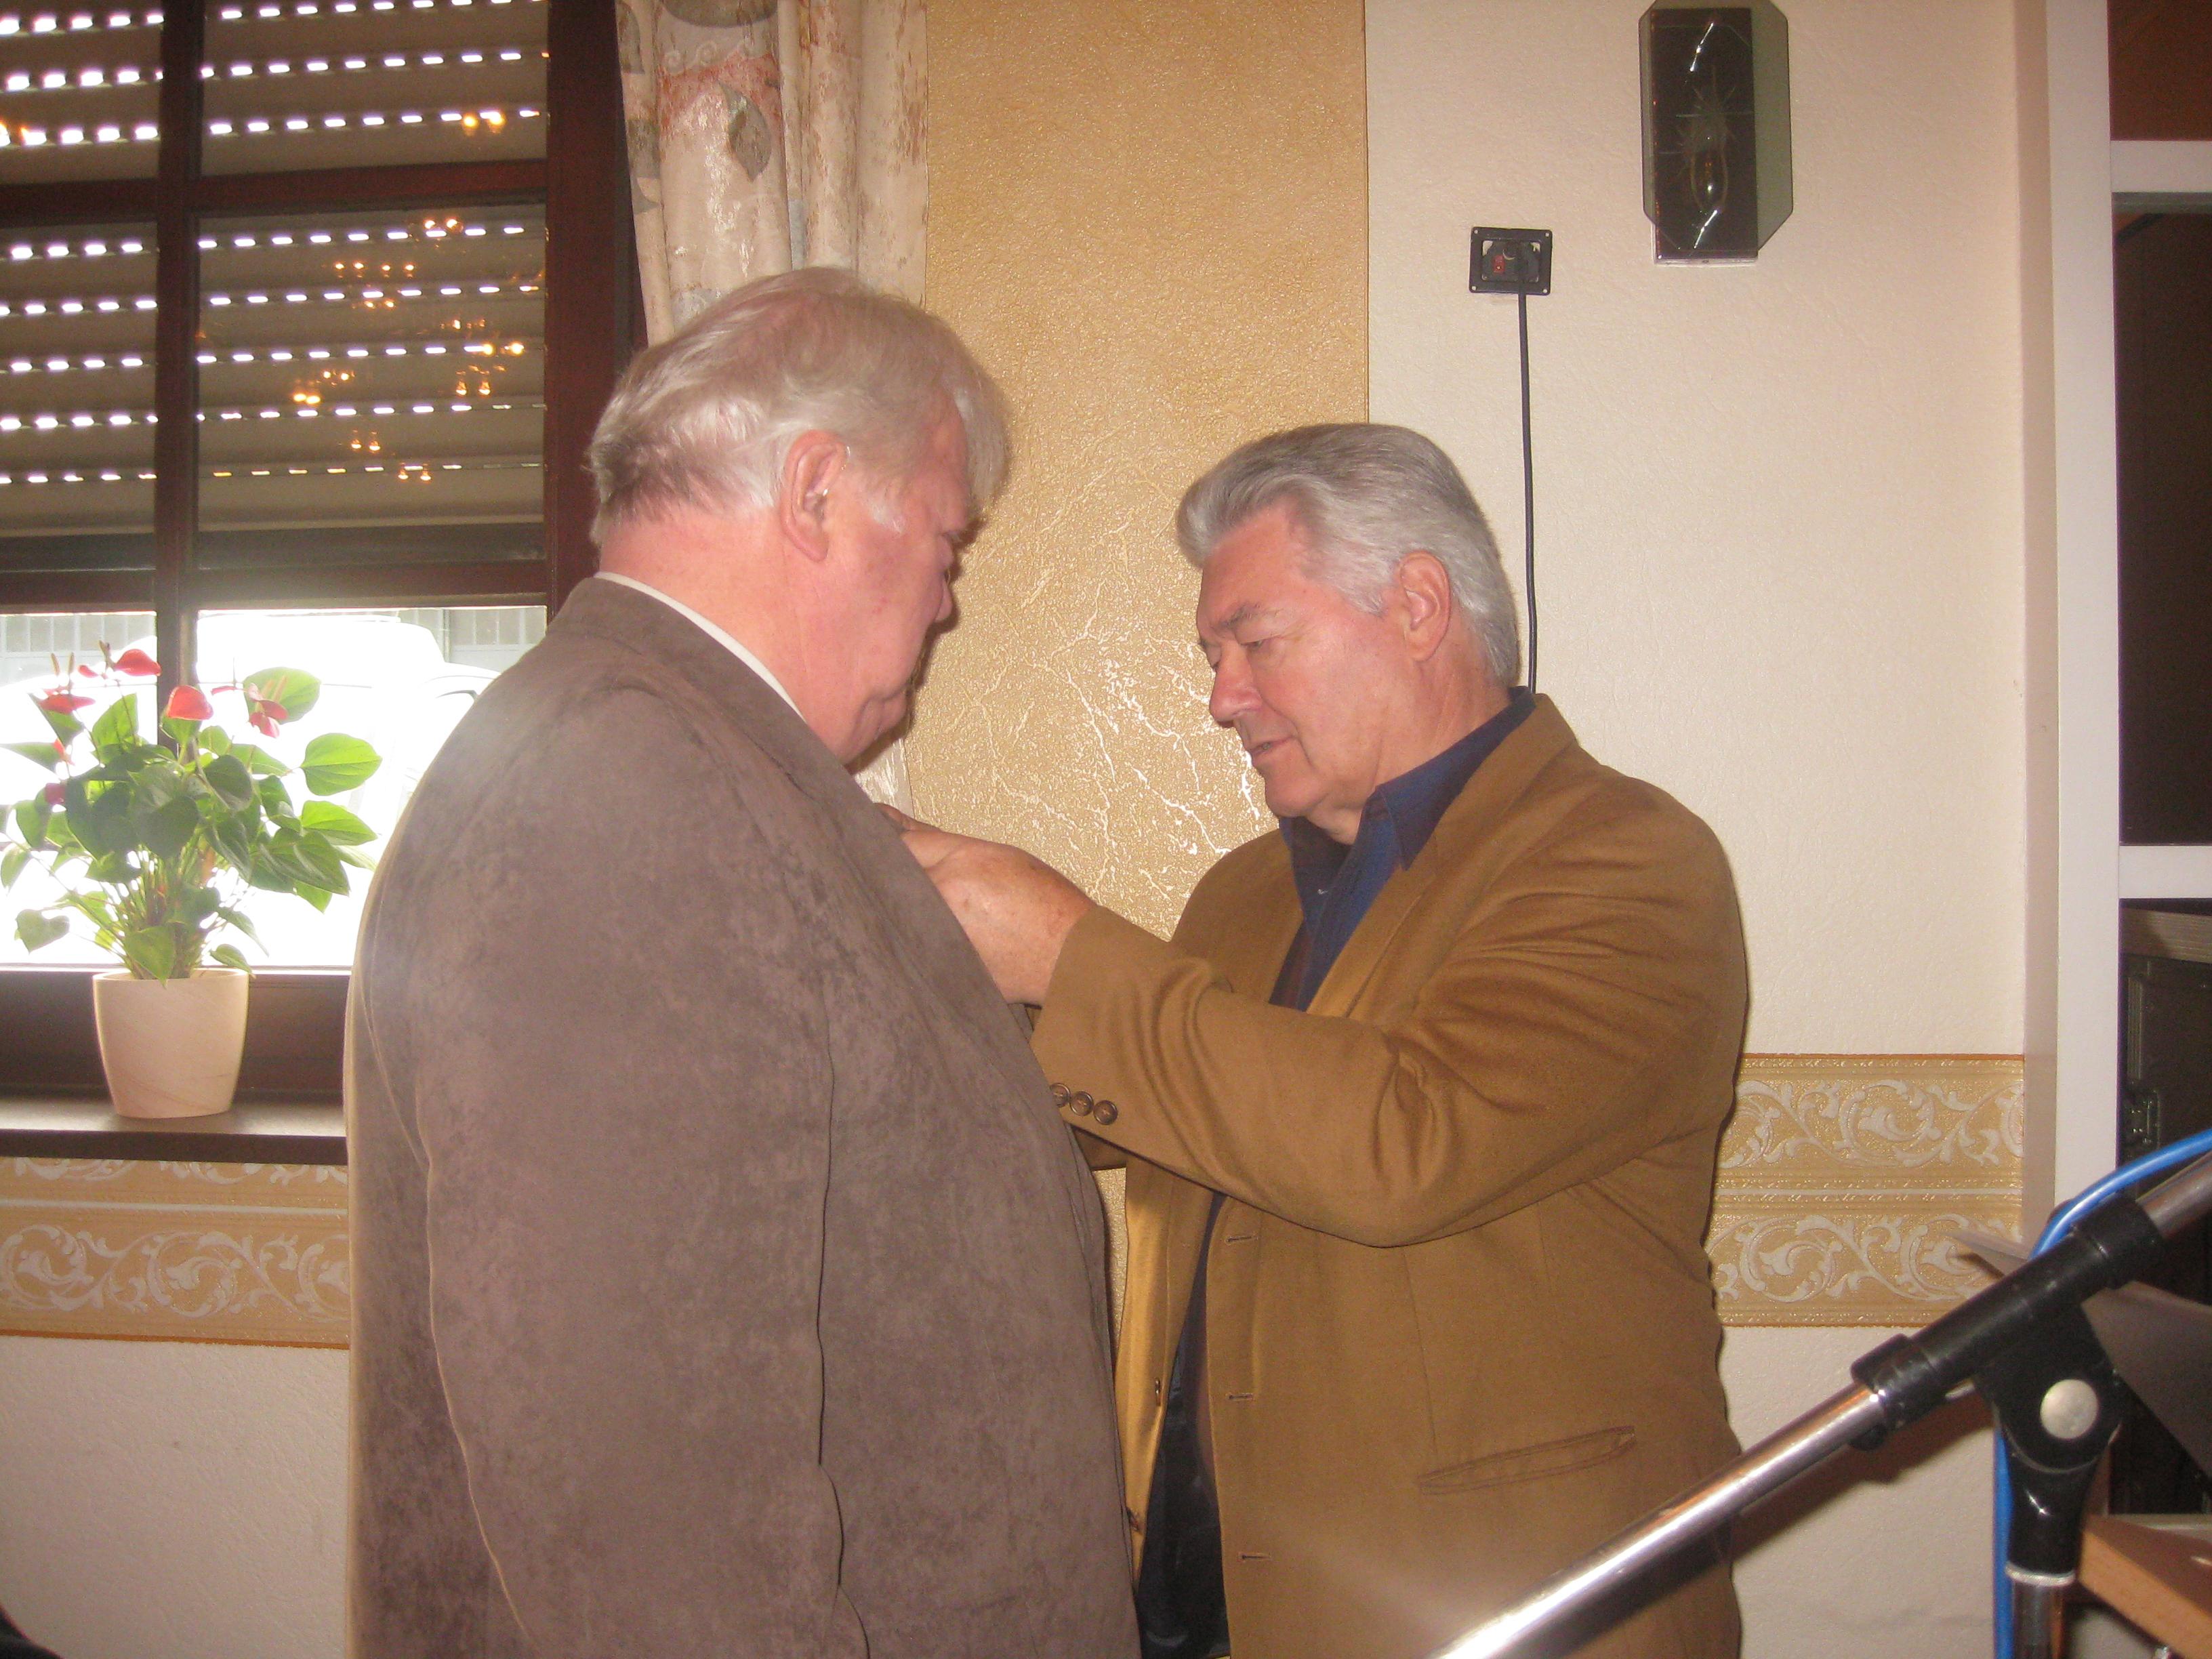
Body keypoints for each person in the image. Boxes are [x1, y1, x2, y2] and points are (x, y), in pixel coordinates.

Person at [346, 269, 1136, 1659]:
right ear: (817, 492)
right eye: (945, 544)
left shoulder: (691, 762)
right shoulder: (629, 787)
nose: (946, 603)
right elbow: (651, 1517)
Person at [898, 423, 1747, 1659]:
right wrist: (919, 975)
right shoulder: (1245, 893)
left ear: (1417, 606)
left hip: (1509, 1610)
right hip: (1204, 1601)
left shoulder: (1624, 861)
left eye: (1257, 641)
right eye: (1215, 655)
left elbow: (1402, 1143)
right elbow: (1177, 1108)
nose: (1222, 698)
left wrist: (1061, 947)